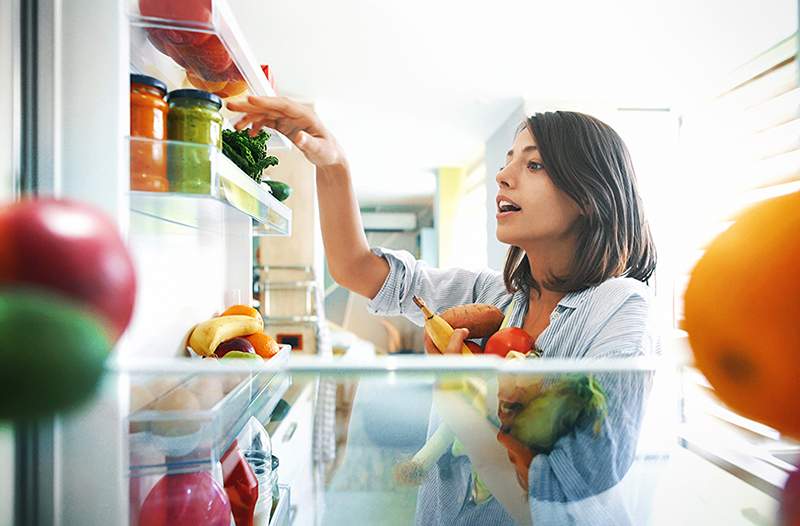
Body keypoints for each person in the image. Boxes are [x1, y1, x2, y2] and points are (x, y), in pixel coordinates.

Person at [228, 96, 659, 525]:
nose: (503, 175)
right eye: (508, 160)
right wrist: (332, 162)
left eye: (533, 165)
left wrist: (458, 396)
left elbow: (566, 488)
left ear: (589, 194)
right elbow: (355, 268)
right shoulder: (494, 294)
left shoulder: (619, 307)